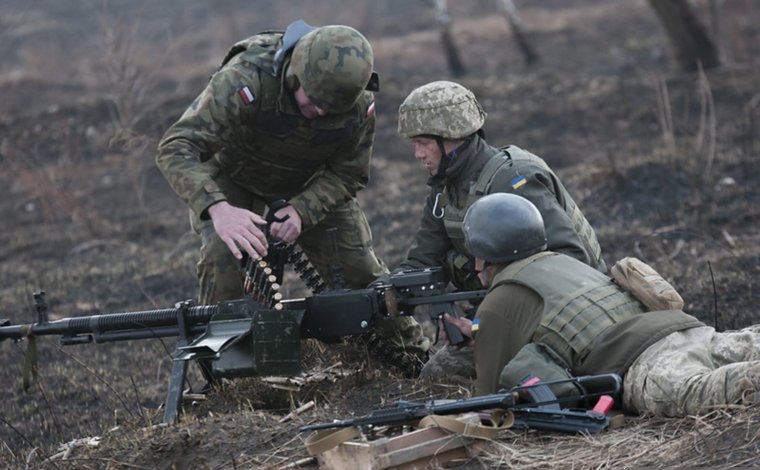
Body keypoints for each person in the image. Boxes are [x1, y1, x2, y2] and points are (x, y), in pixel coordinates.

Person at [155, 20, 427, 377]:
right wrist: (219, 209)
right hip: (235, 176)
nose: (321, 113)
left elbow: (349, 173)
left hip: (309, 182)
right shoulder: (247, 78)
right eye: (314, 103)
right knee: (226, 259)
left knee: (359, 270)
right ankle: (225, 379)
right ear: (295, 77)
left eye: (332, 109)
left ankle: (414, 360)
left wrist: (302, 210)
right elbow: (176, 148)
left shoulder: (358, 104)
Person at [441, 192, 760, 416]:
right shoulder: (562, 262)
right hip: (682, 331)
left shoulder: (498, 300)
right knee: (749, 343)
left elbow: (489, 402)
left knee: (713, 390)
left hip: (640, 364)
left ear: (484, 253)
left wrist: (480, 339)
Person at [394, 80, 605, 383]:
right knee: (436, 375)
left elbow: (570, 260)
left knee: (447, 377)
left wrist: (485, 325)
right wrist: (388, 291)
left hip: (562, 312)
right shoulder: (446, 189)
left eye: (424, 143)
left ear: (452, 137)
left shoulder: (512, 179)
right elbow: (424, 257)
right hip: (505, 309)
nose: (417, 154)